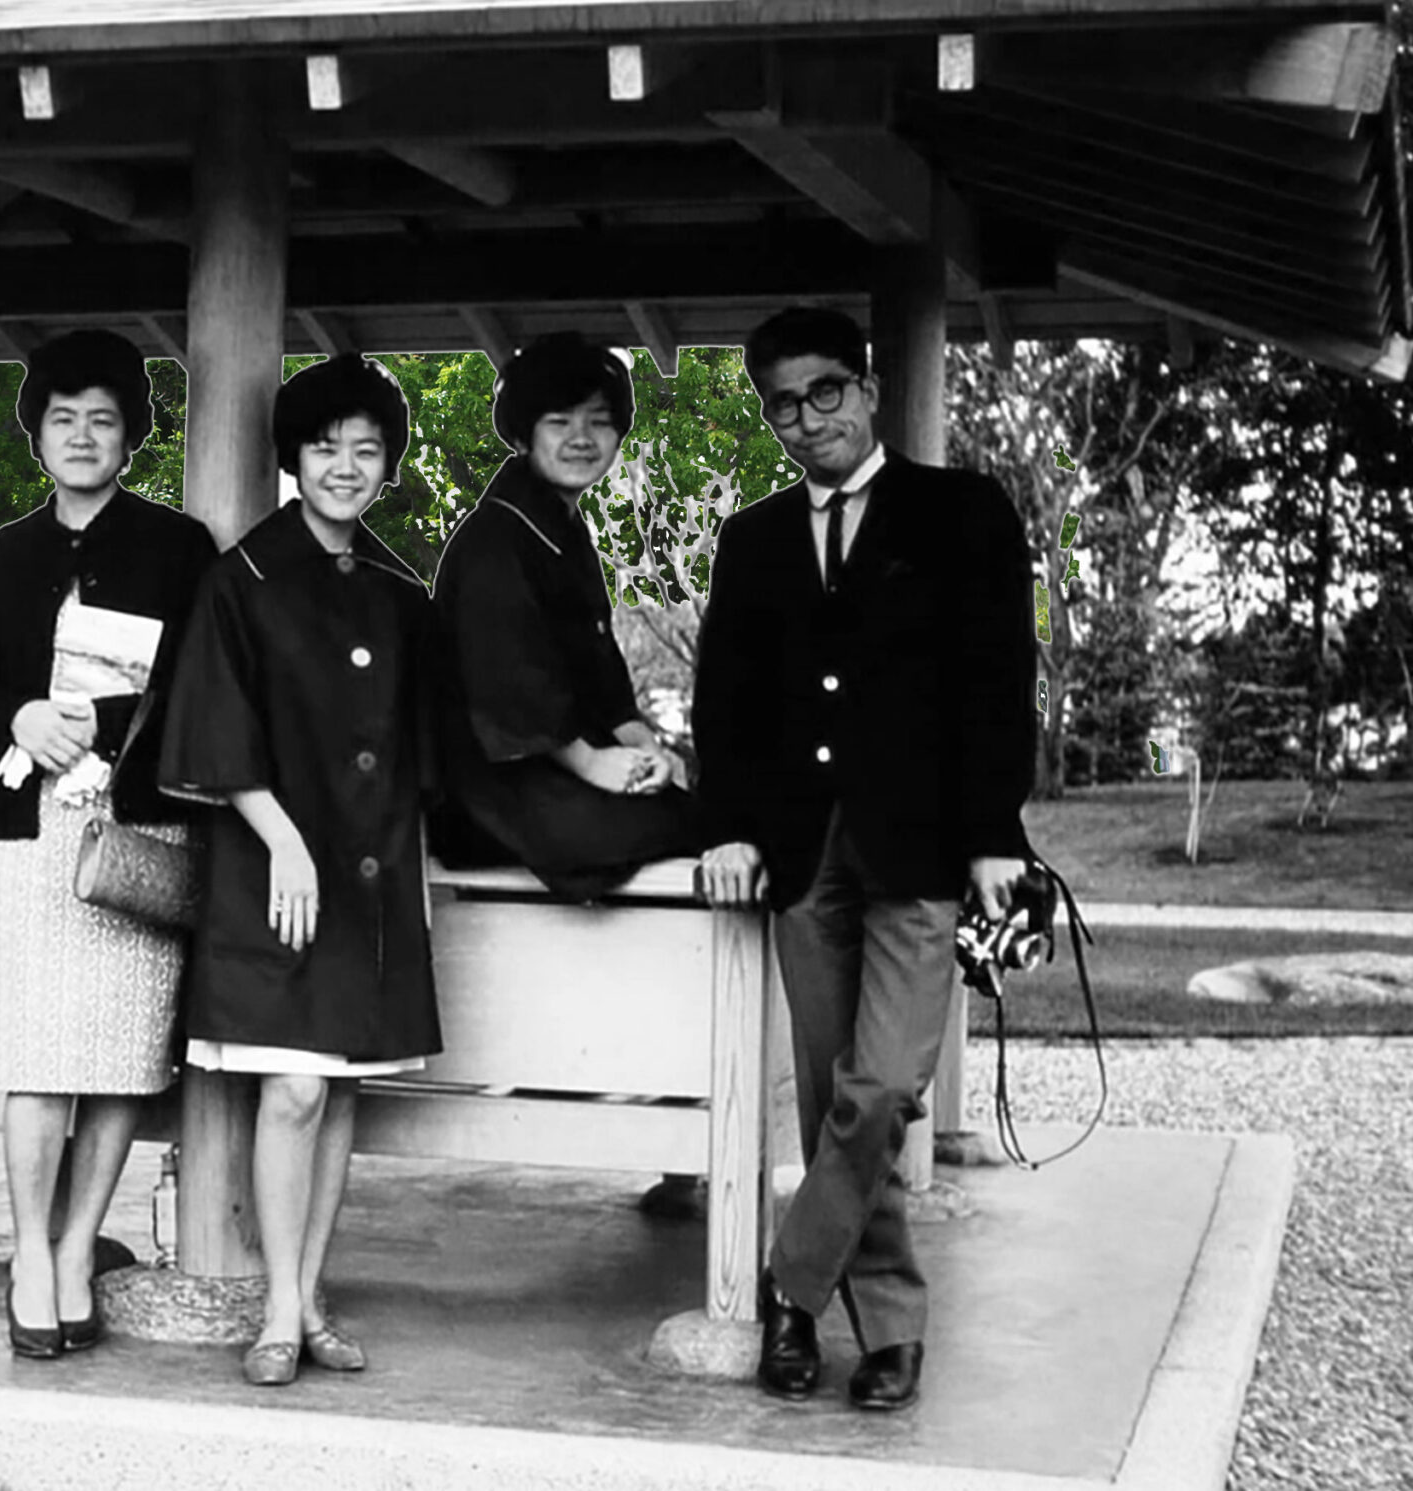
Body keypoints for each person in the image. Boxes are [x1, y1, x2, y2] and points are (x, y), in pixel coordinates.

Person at [692, 307, 1036, 1413]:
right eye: (784, 404)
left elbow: (996, 688)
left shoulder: (963, 513)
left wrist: (993, 838)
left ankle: (792, 1290)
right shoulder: (751, 540)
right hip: (799, 853)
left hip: (923, 846)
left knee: (881, 1088)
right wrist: (730, 824)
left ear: (871, 388)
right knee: (827, 1093)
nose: (808, 421)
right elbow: (724, 708)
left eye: (826, 392)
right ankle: (885, 1327)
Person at [158, 354, 442, 1389]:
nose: (345, 467)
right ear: (293, 457)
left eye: (366, 450)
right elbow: (211, 728)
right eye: (326, 447)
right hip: (273, 872)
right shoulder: (241, 580)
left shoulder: (398, 593)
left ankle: (308, 1298)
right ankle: (279, 1309)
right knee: (291, 1089)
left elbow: (424, 750)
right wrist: (280, 837)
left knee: (340, 1093)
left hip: (368, 882)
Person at [0, 329, 218, 1359]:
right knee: (38, 1060)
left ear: (131, 435)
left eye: (102, 418)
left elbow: (204, 676)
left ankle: (74, 1247)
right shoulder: (3, 556)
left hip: (137, 827)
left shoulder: (177, 547)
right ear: (37, 433)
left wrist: (116, 730)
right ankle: (28, 1250)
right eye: (62, 418)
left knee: (115, 1060)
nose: (81, 436)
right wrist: (17, 716)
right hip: (29, 831)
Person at [433, 334, 704, 898]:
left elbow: (602, 672)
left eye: (599, 421)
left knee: (703, 804)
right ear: (524, 433)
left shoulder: (560, 527)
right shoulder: (497, 540)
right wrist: (593, 764)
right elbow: (512, 685)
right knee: (699, 823)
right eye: (559, 421)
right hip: (496, 788)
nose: (582, 439)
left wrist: (645, 749)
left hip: (566, 769)